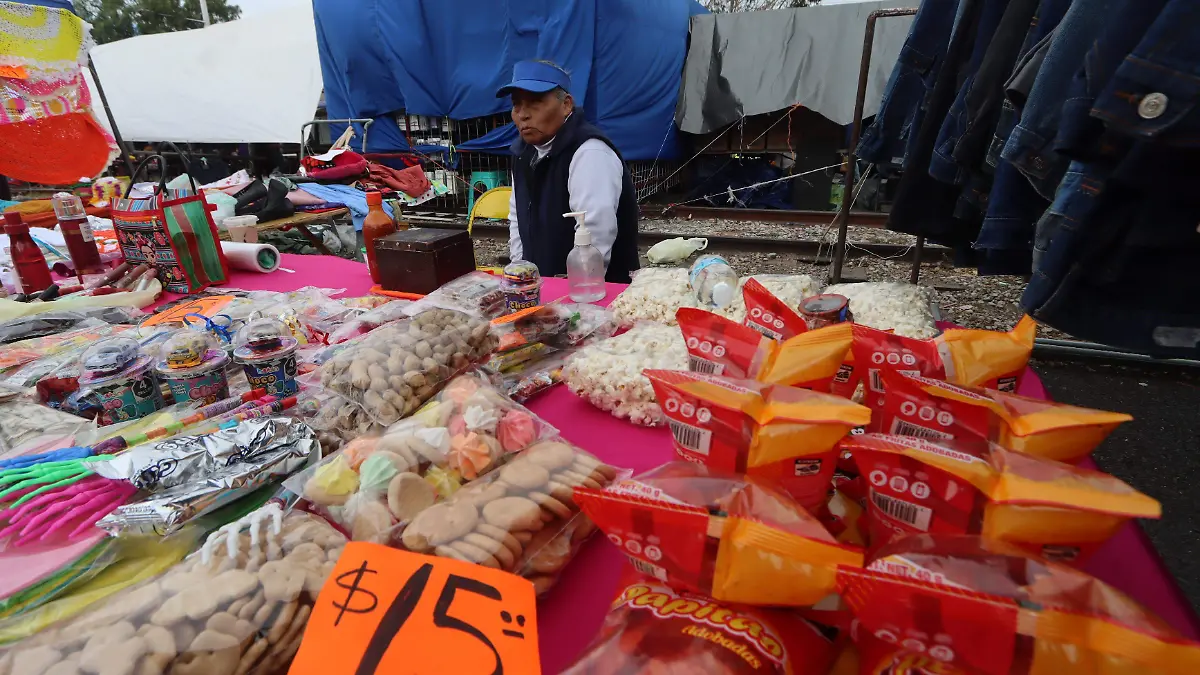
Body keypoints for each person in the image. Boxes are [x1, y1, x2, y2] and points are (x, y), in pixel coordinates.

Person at [498, 60, 640, 283]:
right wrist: (521, 275)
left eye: (535, 103)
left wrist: (574, 299)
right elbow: (518, 218)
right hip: (542, 291)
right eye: (517, 105)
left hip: (593, 296)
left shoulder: (590, 151)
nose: (523, 115)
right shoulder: (523, 152)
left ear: (566, 105)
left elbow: (595, 237)